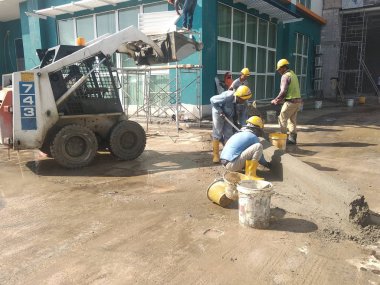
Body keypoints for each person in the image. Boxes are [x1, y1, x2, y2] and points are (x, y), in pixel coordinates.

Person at [210, 85, 252, 163]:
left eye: (246, 99)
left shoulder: (244, 103)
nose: (245, 101)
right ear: (238, 97)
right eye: (243, 99)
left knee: (228, 133)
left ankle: (227, 154)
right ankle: (216, 155)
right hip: (218, 113)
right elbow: (212, 100)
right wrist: (220, 111)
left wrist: (244, 129)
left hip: (229, 115)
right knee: (217, 132)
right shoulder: (227, 96)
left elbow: (243, 117)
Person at [220, 116, 271, 180]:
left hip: (225, 163)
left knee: (248, 150)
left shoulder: (238, 133)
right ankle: (251, 174)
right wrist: (267, 164)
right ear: (256, 128)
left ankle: (240, 168)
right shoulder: (253, 136)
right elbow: (260, 157)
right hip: (232, 164)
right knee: (258, 146)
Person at [271, 59, 302, 145]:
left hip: (291, 102)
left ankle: (283, 138)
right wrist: (281, 99)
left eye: (279, 69)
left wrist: (276, 100)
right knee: (292, 120)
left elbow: (283, 91)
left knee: (282, 118)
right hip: (297, 101)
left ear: (284, 68)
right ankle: (292, 139)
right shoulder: (293, 74)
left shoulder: (285, 76)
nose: (279, 71)